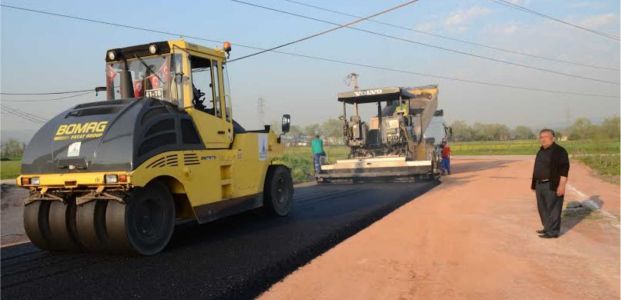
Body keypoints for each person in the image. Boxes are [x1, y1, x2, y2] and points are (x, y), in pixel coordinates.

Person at [531, 129, 569, 238]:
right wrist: (534, 185)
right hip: (539, 184)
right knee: (542, 208)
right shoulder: (541, 151)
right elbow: (537, 168)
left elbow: (564, 169)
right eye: (541, 137)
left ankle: (553, 232)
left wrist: (562, 185)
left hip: (552, 184)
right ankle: (547, 228)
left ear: (553, 138)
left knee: (553, 208)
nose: (543, 139)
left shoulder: (559, 151)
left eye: (546, 136)